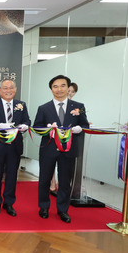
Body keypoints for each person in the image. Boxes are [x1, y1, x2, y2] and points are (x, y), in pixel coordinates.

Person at [33, 74, 89, 223]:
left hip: (69, 150)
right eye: (55, 86)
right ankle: (44, 207)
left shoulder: (78, 107)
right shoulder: (44, 108)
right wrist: (47, 129)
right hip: (48, 149)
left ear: (68, 88)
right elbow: (36, 127)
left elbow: (85, 126)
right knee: (44, 180)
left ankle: (63, 210)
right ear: (51, 89)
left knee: (65, 181)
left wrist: (79, 128)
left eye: (62, 86)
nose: (59, 89)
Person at [0, 79, 31, 217]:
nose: (8, 90)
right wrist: (0, 124)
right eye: (5, 88)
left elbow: (27, 120)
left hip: (14, 146)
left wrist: (25, 126)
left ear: (15, 89)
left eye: (11, 88)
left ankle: (9, 203)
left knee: (12, 175)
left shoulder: (21, 105)